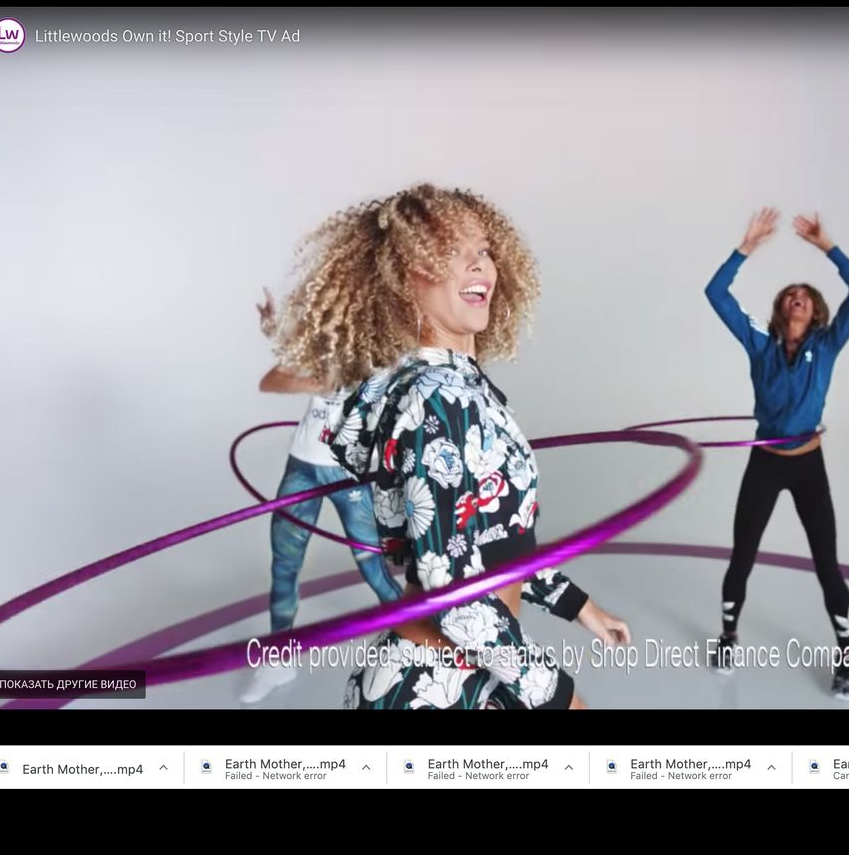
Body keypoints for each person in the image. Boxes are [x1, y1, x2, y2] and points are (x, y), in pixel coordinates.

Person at [268, 183, 630, 708]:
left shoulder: (462, 387)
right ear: (404, 276)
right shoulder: (434, 400)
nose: (478, 267)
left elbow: (491, 545)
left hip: (473, 670)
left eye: (482, 250)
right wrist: (560, 699)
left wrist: (582, 608)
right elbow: (453, 593)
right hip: (431, 687)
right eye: (451, 254)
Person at [704, 207, 849, 699]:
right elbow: (716, 295)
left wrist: (828, 247)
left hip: (808, 464)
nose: (797, 299)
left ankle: (845, 660)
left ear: (816, 312)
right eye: (789, 296)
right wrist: (746, 247)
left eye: (805, 297)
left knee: (827, 562)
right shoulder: (760, 345)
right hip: (765, 462)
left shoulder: (829, 343)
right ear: (781, 309)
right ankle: (728, 638)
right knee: (743, 555)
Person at [239, 293, 406, 705]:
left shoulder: (385, 357)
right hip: (303, 467)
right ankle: (279, 657)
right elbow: (271, 380)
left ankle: (418, 639)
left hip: (347, 473)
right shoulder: (324, 346)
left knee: (372, 566)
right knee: (284, 564)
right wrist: (312, 378)